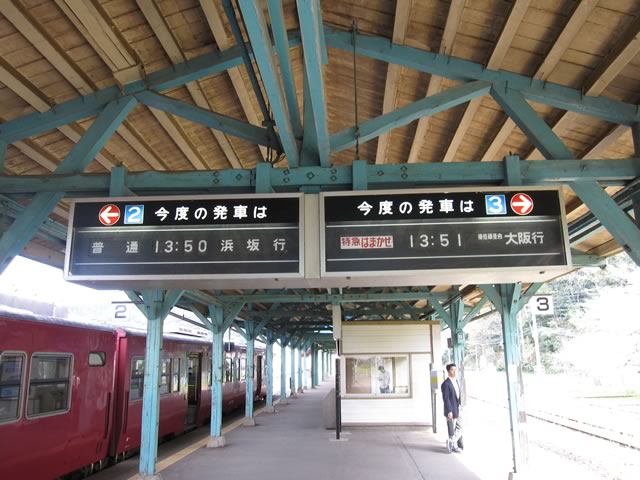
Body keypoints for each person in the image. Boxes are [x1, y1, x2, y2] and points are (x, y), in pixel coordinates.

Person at [441, 363, 463, 453]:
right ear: (448, 371)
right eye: (452, 370)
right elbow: (446, 399)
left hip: (458, 408)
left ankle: (452, 442)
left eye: (455, 370)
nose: (454, 372)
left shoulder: (456, 381)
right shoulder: (445, 384)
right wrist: (449, 411)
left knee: (460, 427)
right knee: (451, 429)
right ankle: (454, 445)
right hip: (451, 410)